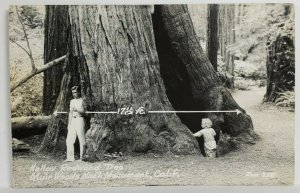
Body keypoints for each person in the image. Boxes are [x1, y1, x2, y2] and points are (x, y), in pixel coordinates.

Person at [65, 86, 86, 162]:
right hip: (73, 120)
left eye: (75, 92)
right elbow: (70, 113)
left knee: (81, 138)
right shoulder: (72, 101)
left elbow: (85, 112)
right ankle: (70, 158)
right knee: (69, 139)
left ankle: (82, 157)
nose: (74, 94)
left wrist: (77, 109)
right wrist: (69, 124)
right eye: (73, 93)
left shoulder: (82, 100)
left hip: (80, 119)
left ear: (79, 92)